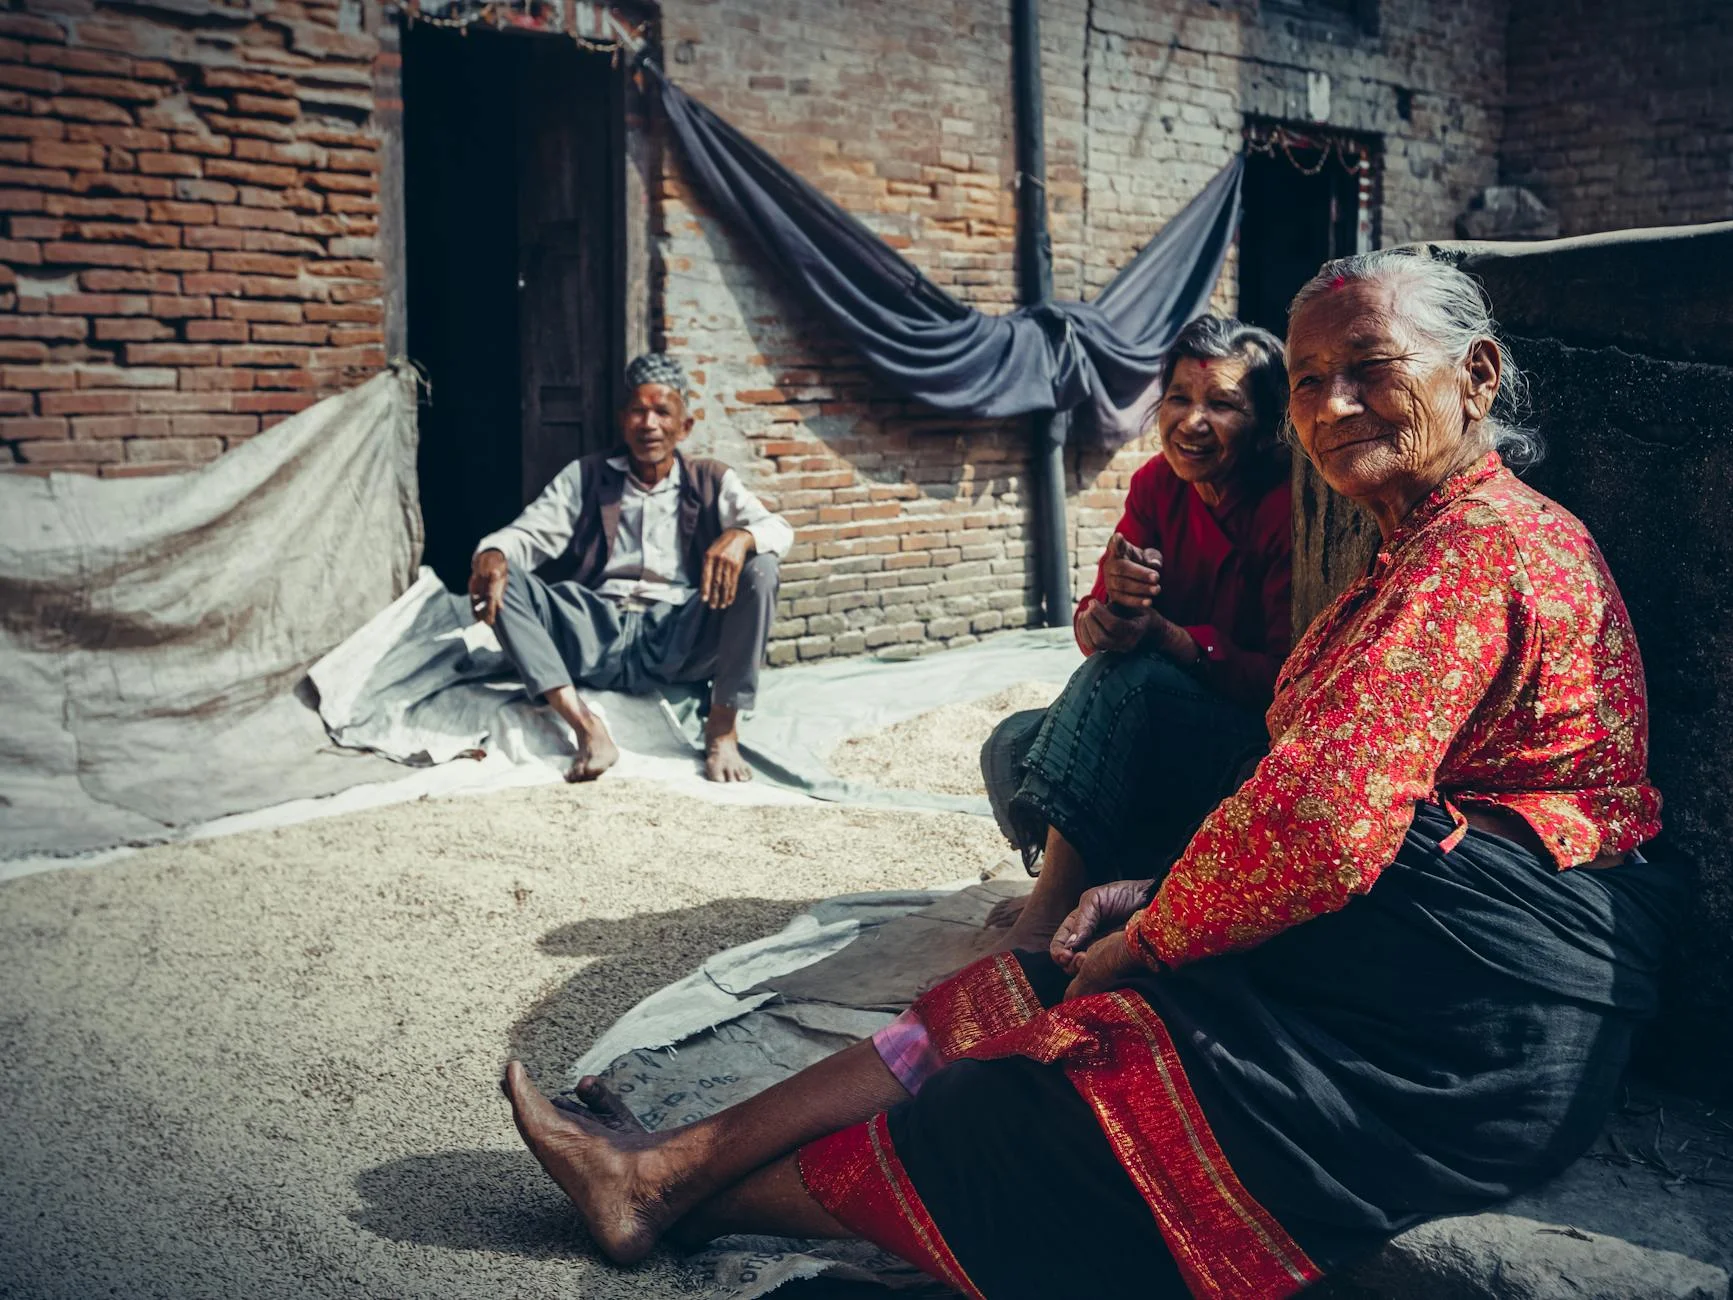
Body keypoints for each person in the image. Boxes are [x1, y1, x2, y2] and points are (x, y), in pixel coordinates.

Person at [500, 251, 1681, 1298]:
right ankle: (666, 1166)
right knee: (1024, 973)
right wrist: (1158, 889)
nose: (1330, 405)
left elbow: (1323, 822)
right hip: (1406, 969)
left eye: (1368, 368)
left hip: (1462, 1039)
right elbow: (1309, 788)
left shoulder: (1470, 554)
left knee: (1036, 1086)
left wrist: (1152, 935)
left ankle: (679, 1193)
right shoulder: (1411, 542)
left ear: (1474, 375)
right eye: (1310, 379)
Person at [982, 315, 1291, 951]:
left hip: (1237, 743)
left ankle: (1049, 913)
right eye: (1179, 398)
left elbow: (1281, 679)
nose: (1192, 422)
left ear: (1265, 425)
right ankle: (1088, 884)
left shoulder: (1283, 508)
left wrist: (1173, 639)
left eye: (1222, 404)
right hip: (1151, 726)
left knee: (1129, 679)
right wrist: (1105, 617)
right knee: (1010, 745)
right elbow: (1097, 621)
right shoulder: (1156, 484)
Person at [468, 354, 793, 783]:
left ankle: (721, 729)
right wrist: (493, 552)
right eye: (638, 411)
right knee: (502, 577)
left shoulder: (711, 479)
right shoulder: (586, 475)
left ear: (684, 427)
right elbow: (530, 533)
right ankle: (586, 727)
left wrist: (742, 537)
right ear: (623, 421)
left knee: (762, 569)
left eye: (662, 412)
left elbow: (779, 530)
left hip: (676, 633)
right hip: (596, 629)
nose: (649, 424)